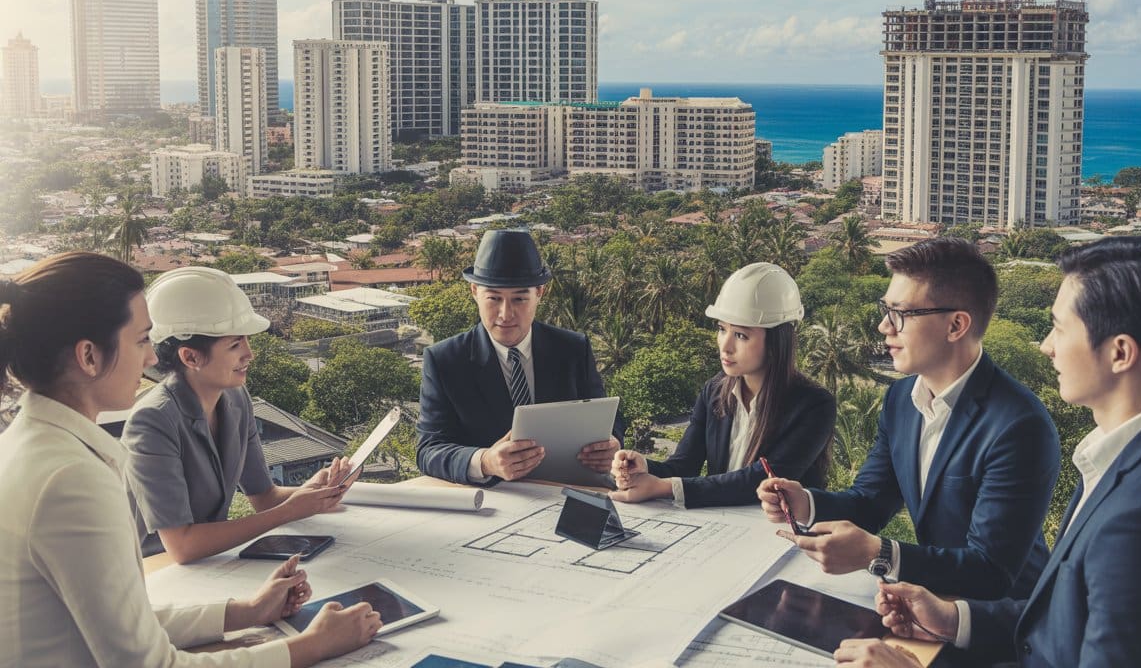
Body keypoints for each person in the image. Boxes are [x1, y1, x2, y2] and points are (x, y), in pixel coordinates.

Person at [835, 236, 1141, 668]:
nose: (1046, 346)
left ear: (1120, 353)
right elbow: (1067, 625)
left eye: (1059, 327)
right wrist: (955, 619)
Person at [0, 252, 380, 667]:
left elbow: (125, 624)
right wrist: (312, 646)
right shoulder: (72, 478)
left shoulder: (35, 445)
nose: (150, 358)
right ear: (89, 356)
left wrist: (245, 612)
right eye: (142, 340)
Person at [758, 238, 1060, 600]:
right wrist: (804, 501)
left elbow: (992, 571)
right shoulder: (901, 399)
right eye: (885, 310)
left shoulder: (1019, 425)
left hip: (1005, 624)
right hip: (931, 602)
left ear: (956, 326)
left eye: (900, 314)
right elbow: (871, 502)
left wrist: (879, 553)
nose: (885, 327)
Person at [123, 266, 355, 563]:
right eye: (235, 345)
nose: (249, 354)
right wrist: (289, 512)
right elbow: (182, 546)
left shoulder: (235, 398)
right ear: (190, 357)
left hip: (208, 566)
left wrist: (312, 493)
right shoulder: (152, 422)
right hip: (154, 573)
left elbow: (265, 499)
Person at [609, 262, 836, 508]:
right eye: (721, 329)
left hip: (781, 533)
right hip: (726, 528)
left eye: (741, 335)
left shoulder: (813, 404)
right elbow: (684, 465)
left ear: (776, 342)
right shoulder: (715, 392)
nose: (724, 346)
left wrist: (664, 487)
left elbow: (762, 480)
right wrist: (644, 467)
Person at [416, 229, 624, 485]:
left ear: (540, 293)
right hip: (492, 500)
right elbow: (428, 450)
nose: (506, 314)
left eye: (519, 298)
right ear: (474, 291)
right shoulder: (445, 359)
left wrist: (611, 444)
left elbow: (606, 420)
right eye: (493, 298)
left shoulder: (572, 348)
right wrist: (485, 461)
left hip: (567, 491)